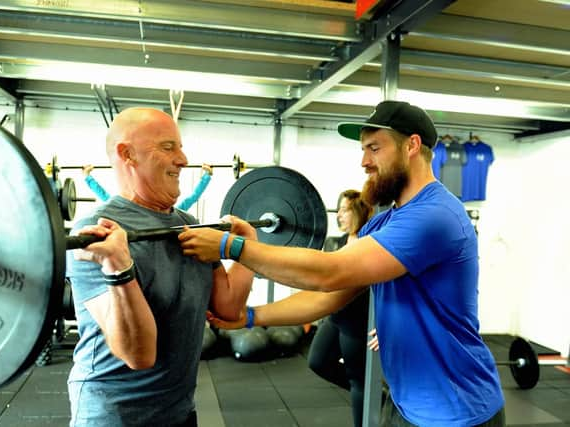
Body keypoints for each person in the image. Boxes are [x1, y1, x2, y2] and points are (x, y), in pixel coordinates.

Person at [179, 100, 505, 427]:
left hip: (459, 411)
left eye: (374, 148)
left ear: (412, 145)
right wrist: (250, 316)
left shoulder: (435, 215)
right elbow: (330, 294)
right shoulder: (384, 223)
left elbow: (329, 271)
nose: (364, 161)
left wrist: (229, 246)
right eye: (363, 150)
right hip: (407, 404)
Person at [66, 107, 256, 427]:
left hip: (179, 411)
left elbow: (228, 308)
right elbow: (138, 355)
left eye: (180, 147)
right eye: (168, 147)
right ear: (127, 154)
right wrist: (118, 266)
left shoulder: (190, 227)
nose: (182, 159)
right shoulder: (95, 231)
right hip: (114, 415)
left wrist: (247, 248)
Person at [208, 188, 375, 427]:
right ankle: (376, 396)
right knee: (318, 361)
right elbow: (318, 287)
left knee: (359, 380)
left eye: (344, 210)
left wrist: (235, 247)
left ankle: (372, 402)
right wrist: (251, 313)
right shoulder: (336, 242)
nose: (339, 215)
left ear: (359, 211)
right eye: (338, 209)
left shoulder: (370, 246)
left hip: (357, 321)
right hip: (333, 315)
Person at [82, 163, 214, 211]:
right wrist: (88, 177)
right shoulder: (127, 212)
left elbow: (193, 197)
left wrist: (207, 176)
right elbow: (105, 197)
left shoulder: (172, 212)